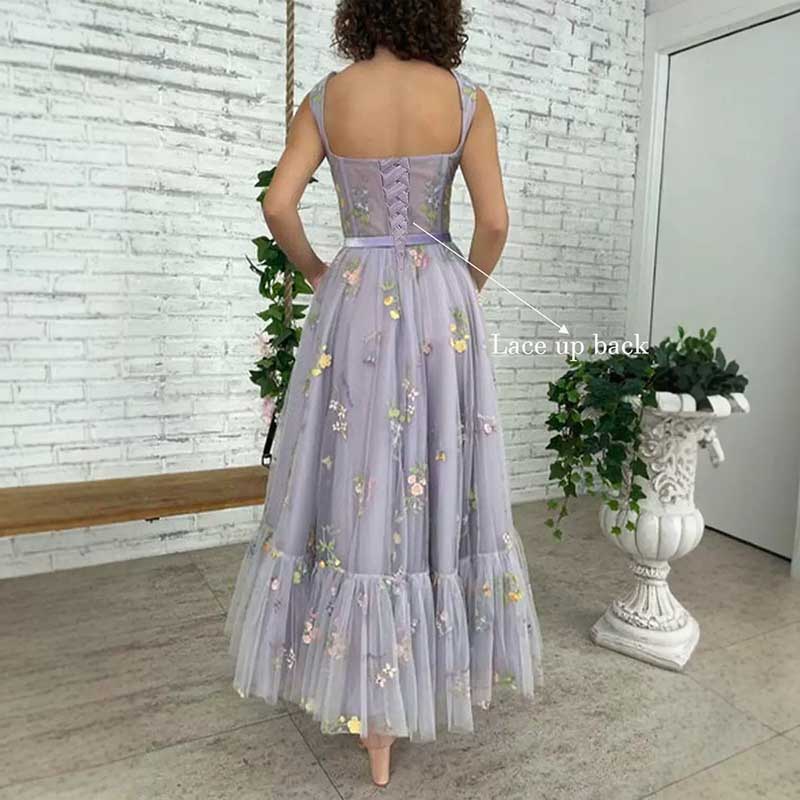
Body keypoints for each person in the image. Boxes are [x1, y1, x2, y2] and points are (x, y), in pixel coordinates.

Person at [225, 0, 544, 787]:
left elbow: (277, 204)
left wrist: (319, 272)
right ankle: (428, 673)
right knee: (432, 471)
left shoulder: (327, 99)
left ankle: (372, 721)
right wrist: (460, 291)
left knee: (362, 478)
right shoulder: (464, 99)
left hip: (357, 296)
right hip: (439, 301)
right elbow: (494, 221)